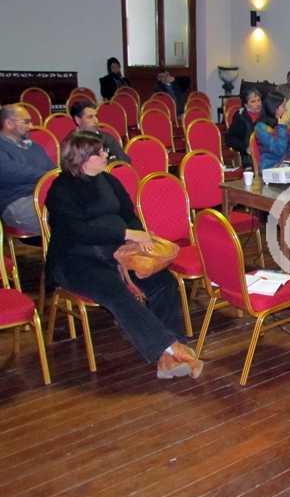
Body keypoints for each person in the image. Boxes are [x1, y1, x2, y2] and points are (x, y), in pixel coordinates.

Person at [45, 132, 202, 379]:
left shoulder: (109, 180)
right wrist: (126, 233)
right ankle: (174, 348)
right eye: (100, 152)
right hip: (77, 260)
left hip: (120, 253)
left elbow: (129, 215)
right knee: (116, 292)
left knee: (164, 282)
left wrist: (136, 239)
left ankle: (168, 358)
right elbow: (78, 231)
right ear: (81, 158)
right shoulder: (61, 189)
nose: (106, 155)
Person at [0, 104, 55, 235]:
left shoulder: (34, 146)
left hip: (46, 195)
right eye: (26, 122)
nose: (31, 126)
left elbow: (52, 170)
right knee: (69, 215)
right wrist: (47, 176)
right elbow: (12, 172)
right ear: (9, 123)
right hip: (17, 201)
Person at [226, 87, 271, 168]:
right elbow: (230, 139)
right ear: (246, 105)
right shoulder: (240, 117)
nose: (258, 104)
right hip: (249, 158)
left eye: (259, 100)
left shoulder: (267, 115)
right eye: (253, 101)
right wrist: (245, 148)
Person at [255, 94, 290, 169]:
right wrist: (282, 126)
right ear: (274, 107)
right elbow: (279, 150)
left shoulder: (282, 124)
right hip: (270, 167)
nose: (286, 110)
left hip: (285, 165)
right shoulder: (261, 127)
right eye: (283, 106)